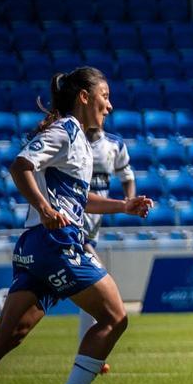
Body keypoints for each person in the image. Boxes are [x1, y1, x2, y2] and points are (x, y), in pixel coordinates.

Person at [0, 68, 152, 384]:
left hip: (35, 246)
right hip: (55, 243)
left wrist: (124, 205)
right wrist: (43, 207)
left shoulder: (79, 142)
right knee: (115, 317)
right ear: (84, 97)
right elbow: (21, 165)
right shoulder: (68, 130)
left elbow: (79, 199)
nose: (110, 103)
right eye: (104, 94)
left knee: (7, 337)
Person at [77, 123, 136, 371]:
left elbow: (127, 176)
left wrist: (129, 202)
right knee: (101, 292)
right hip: (74, 227)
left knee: (29, 308)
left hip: (93, 227)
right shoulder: (73, 142)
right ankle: (92, 353)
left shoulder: (115, 144)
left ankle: (89, 350)